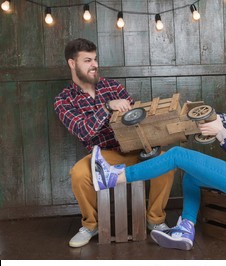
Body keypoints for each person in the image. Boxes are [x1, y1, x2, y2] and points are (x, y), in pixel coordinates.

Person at [90, 54, 226, 251]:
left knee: (177, 155)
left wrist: (220, 133)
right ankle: (186, 228)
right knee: (192, 178)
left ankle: (113, 177)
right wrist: (202, 115)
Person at [54, 38, 176, 248]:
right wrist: (107, 107)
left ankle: (155, 221)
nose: (95, 65)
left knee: (166, 162)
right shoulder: (63, 100)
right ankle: (90, 225)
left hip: (136, 149)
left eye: (95, 59)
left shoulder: (112, 86)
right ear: (72, 64)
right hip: (104, 156)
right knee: (79, 173)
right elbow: (83, 131)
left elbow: (138, 118)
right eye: (87, 60)